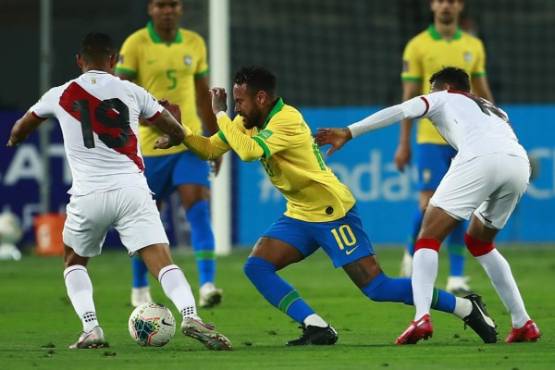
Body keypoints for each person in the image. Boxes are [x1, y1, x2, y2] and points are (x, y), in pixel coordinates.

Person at [156, 65, 497, 346]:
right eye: (235, 103)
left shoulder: (286, 119)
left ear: (262, 98)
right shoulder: (247, 122)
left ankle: (466, 307)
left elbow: (247, 152)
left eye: (241, 101)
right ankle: (316, 326)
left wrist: (218, 114)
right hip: (300, 214)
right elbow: (211, 150)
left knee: (377, 288)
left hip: (333, 212)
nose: (237, 108)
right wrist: (181, 133)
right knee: (257, 265)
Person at [6, 33, 231, 351]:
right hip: (131, 189)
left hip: (88, 195)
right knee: (161, 260)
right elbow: (173, 127)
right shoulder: (131, 91)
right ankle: (191, 315)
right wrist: (173, 137)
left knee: (74, 261)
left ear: (79, 61)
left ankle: (91, 328)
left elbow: (21, 127)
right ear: (114, 61)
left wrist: (15, 139)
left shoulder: (60, 94)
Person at [315, 66, 541, 344]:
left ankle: (421, 317)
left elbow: (399, 111)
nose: (428, 95)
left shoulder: (443, 97)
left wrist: (349, 132)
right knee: (481, 243)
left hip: (480, 159)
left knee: (428, 238)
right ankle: (523, 323)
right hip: (518, 163)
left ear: (445, 87)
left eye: (431, 89)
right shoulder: (493, 109)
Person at [115, 0, 222, 308]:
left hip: (187, 143)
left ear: (181, 9)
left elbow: (203, 95)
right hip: (148, 147)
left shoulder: (194, 42)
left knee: (198, 208)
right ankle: (139, 288)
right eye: (161, 5)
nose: (167, 10)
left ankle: (208, 284)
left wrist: (214, 140)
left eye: (173, 4)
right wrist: (149, 119)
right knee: (146, 219)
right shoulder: (136, 43)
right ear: (151, 9)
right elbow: (119, 97)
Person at [396, 0, 495, 294]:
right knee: (428, 205)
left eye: (451, 1)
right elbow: (409, 97)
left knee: (462, 206)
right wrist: (404, 143)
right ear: (432, 6)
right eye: (440, 1)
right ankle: (412, 252)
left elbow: (482, 89)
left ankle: (456, 275)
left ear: (460, 6)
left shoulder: (474, 46)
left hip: (466, 139)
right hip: (430, 137)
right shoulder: (417, 45)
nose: (445, 6)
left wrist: (497, 123)